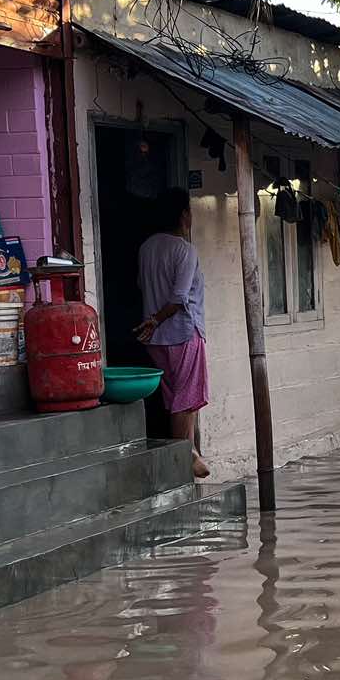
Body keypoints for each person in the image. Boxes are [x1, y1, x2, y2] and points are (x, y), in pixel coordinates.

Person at [134, 187, 211, 478]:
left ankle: (185, 453)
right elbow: (179, 298)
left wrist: (152, 322)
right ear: (183, 216)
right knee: (186, 400)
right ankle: (185, 456)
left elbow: (143, 285)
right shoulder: (185, 249)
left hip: (155, 341)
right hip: (182, 333)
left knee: (174, 399)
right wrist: (156, 318)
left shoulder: (147, 246)